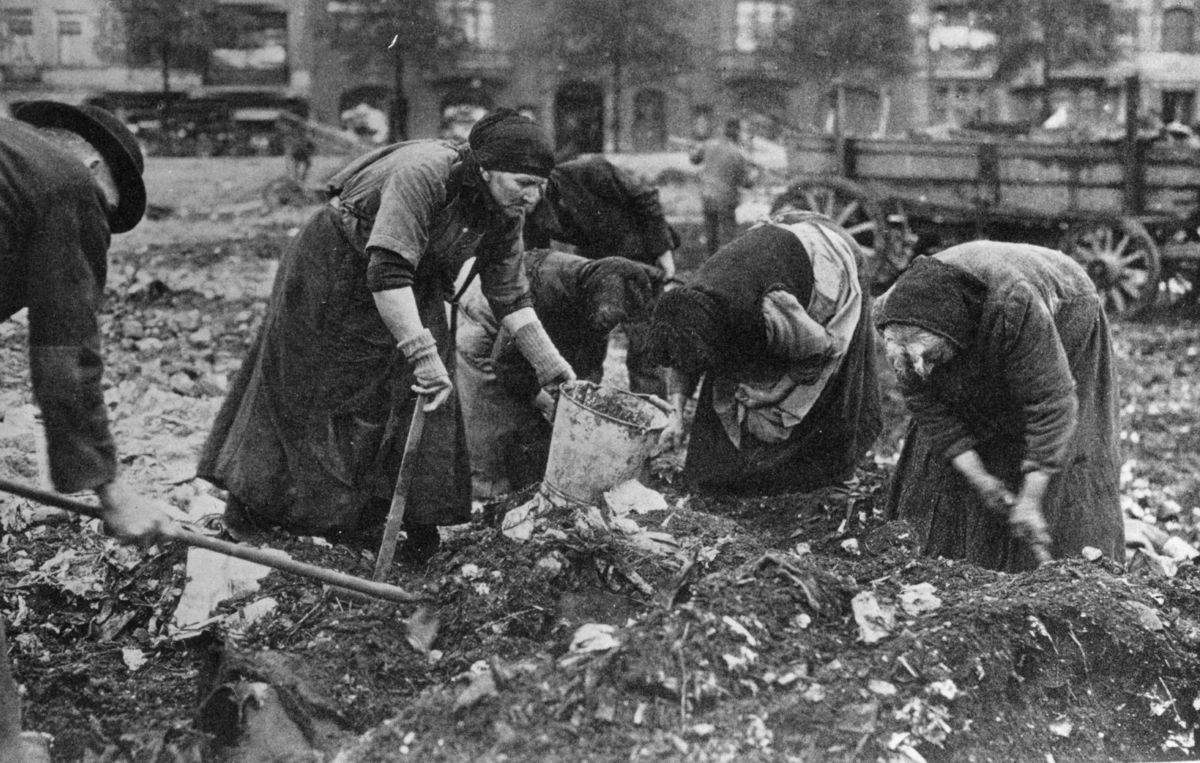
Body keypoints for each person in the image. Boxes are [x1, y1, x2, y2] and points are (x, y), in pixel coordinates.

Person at [197, 108, 576, 563]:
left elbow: (510, 294)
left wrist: (551, 368)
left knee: (425, 396)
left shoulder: (505, 207)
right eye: (523, 184)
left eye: (541, 186)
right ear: (486, 169)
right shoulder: (424, 174)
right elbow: (388, 270)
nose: (534, 198)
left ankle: (398, 520)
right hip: (337, 265)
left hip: (409, 279)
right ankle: (254, 510)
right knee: (315, 390)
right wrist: (422, 353)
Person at [0, 101, 171, 762]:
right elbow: (65, 357)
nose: (97, 224)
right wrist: (111, 490)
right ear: (95, 164)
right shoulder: (66, 182)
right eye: (107, 208)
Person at [874, 243, 1124, 572]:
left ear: (953, 332)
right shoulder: (898, 321)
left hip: (1066, 306)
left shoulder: (1013, 304)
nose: (923, 371)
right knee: (945, 455)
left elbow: (1052, 405)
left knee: (1068, 450)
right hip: (976, 319)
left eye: (932, 357)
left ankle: (1069, 569)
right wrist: (982, 480)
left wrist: (1031, 500)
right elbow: (930, 409)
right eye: (909, 361)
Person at [645, 211, 882, 496]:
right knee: (720, 429)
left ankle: (834, 478)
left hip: (827, 257)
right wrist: (677, 415)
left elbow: (820, 351)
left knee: (823, 394)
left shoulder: (770, 308)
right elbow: (681, 359)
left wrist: (775, 394)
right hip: (774, 250)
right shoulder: (689, 305)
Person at [455, 250, 663, 499]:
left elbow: (589, 363)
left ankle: (529, 488)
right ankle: (487, 499)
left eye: (616, 321)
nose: (611, 325)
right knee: (494, 414)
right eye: (609, 318)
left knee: (538, 422)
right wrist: (543, 400)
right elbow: (504, 363)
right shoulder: (549, 291)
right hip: (486, 313)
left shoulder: (598, 294)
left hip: (525, 316)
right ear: (598, 299)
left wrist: (579, 407)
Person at [524, 154, 681, 282]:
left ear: (542, 179)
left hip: (645, 250)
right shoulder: (528, 211)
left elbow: (646, 198)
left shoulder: (588, 171)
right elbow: (537, 258)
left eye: (526, 184)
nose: (523, 195)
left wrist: (663, 253)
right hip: (599, 262)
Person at [690, 117, 754, 257]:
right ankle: (727, 266)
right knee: (728, 235)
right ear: (737, 132)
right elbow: (747, 183)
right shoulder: (739, 153)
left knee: (711, 234)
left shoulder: (709, 144)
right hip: (726, 199)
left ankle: (709, 263)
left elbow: (694, 159)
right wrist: (754, 174)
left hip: (707, 195)